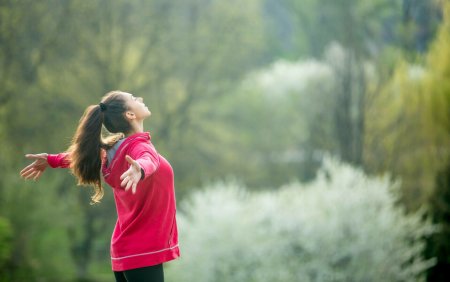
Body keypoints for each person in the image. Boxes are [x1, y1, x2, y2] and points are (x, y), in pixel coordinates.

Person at [20, 90, 180, 282]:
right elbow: (148, 159)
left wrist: (52, 160)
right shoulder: (139, 147)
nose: (141, 99)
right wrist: (141, 169)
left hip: (126, 252)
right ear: (130, 115)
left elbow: (84, 156)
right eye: (134, 98)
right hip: (141, 253)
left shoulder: (115, 150)